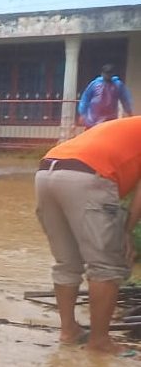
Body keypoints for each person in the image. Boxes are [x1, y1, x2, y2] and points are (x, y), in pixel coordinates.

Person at [34, 116, 141, 354]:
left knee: (67, 262)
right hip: (88, 178)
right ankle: (100, 341)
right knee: (107, 266)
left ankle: (69, 331)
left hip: (47, 171)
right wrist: (125, 231)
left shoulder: (126, 125)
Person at [77, 64, 133, 129]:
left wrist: (129, 112)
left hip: (110, 117)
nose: (107, 75)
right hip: (93, 118)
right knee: (92, 135)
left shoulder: (118, 85)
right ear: (102, 73)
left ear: (113, 74)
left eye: (110, 73)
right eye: (106, 73)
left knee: (107, 135)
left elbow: (125, 99)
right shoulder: (95, 84)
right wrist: (82, 114)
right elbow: (86, 98)